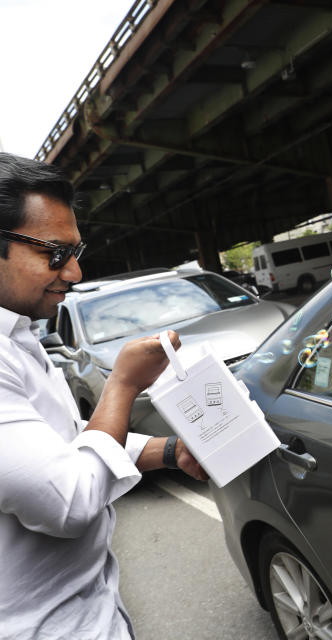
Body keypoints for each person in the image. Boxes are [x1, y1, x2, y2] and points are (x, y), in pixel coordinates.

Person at [0, 152, 207, 639]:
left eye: (76, 251)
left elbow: (73, 442)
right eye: (53, 253)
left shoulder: (19, 337)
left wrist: (173, 452)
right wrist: (123, 385)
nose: (73, 272)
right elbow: (68, 500)